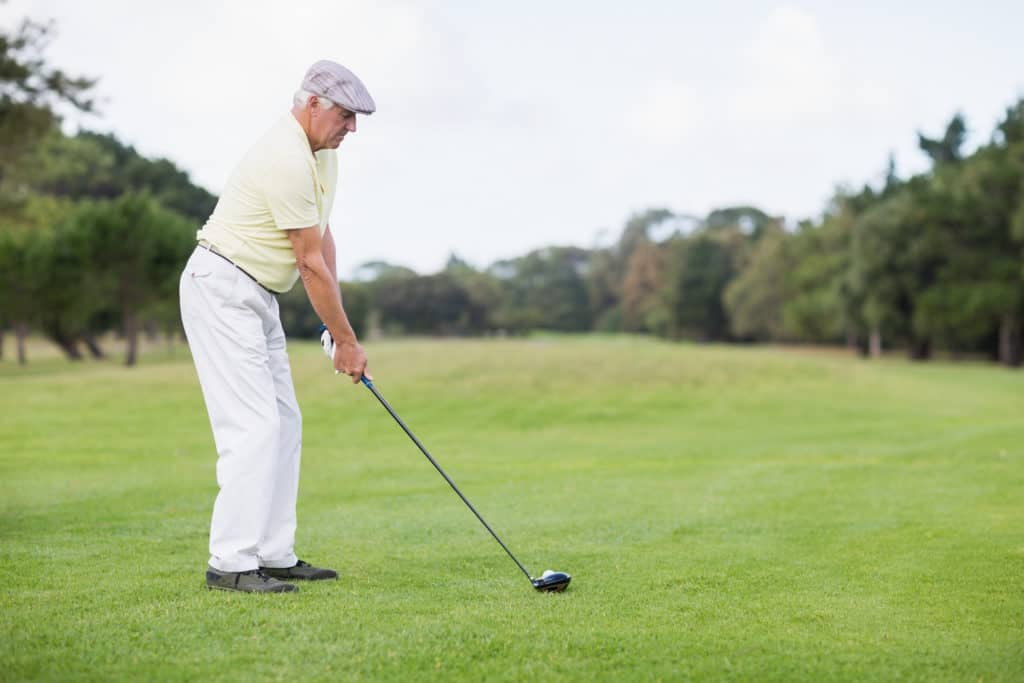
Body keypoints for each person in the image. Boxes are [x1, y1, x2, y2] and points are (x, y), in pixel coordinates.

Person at [179, 60, 374, 593]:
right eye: (346, 115)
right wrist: (350, 343)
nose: (352, 128)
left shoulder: (323, 154)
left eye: (357, 118)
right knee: (255, 426)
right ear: (312, 104)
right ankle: (231, 562)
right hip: (220, 287)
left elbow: (323, 240)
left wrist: (338, 329)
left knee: (285, 422)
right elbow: (307, 262)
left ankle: (273, 552)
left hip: (259, 293)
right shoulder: (284, 156)